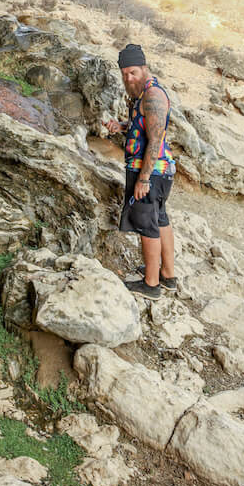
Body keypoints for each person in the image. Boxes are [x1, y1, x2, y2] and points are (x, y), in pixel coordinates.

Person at [104, 43, 176, 299]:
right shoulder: (142, 95)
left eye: (132, 72)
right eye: (124, 74)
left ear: (144, 68)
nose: (128, 78)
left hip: (151, 172)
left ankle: (151, 284)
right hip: (159, 171)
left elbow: (155, 141)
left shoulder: (154, 95)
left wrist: (143, 179)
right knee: (160, 220)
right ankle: (167, 275)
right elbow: (143, 127)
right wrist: (122, 127)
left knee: (147, 225)